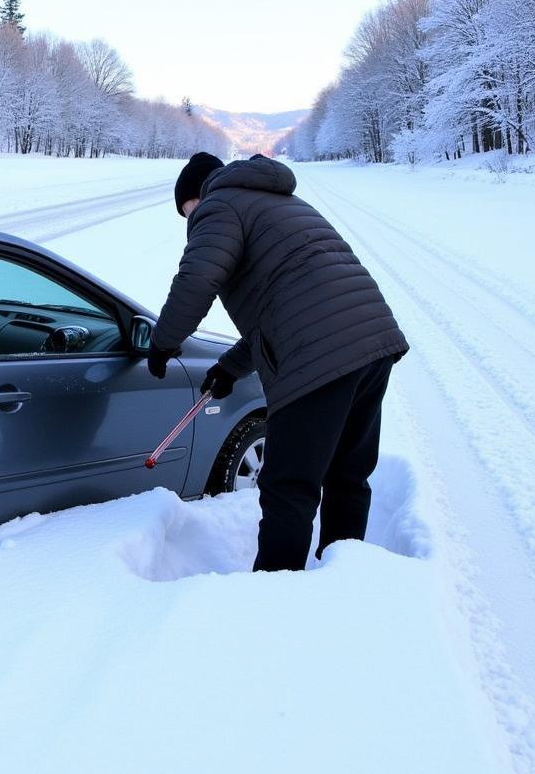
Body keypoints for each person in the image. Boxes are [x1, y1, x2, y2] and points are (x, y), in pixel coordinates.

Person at [147, 152, 409, 572]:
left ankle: (275, 599)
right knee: (347, 476)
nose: (189, 222)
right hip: (372, 342)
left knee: (288, 487)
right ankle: (347, 581)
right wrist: (230, 367)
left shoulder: (219, 204)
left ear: (198, 193)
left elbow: (198, 278)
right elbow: (289, 311)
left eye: (186, 211)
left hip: (319, 356)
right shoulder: (278, 202)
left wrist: (163, 342)